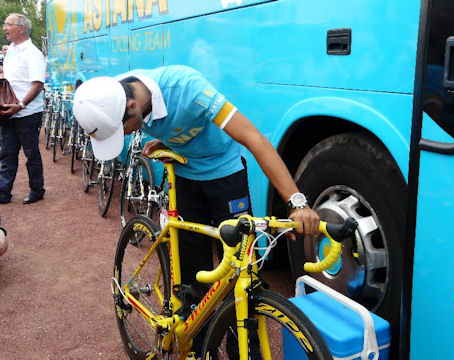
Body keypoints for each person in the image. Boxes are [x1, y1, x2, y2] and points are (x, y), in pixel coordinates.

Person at [73, 65, 320, 355]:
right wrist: (167, 140)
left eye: (123, 129)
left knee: (243, 268)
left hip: (224, 172)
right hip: (186, 177)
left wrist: (297, 202)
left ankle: (244, 350)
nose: (126, 135)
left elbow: (254, 138)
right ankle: (201, 347)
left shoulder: (187, 89)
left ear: (131, 105)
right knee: (195, 275)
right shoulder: (108, 94)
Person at [0, 14, 46, 204]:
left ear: (20, 28)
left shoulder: (32, 53)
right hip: (8, 112)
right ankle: (3, 192)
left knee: (31, 153)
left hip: (26, 113)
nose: (4, 28)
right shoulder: (11, 49)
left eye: (8, 25)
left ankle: (37, 190)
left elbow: (38, 84)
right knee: (7, 153)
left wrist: (20, 105)